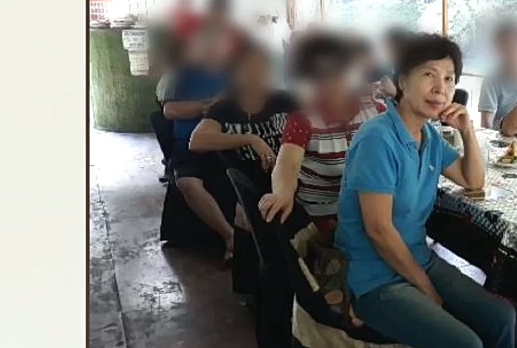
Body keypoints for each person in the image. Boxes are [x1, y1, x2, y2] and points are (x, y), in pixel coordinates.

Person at [336, 33, 517, 348]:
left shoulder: (428, 137)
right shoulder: (378, 139)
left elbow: (472, 180)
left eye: (449, 78)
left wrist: (468, 130)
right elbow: (378, 231)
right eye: (428, 75)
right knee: (465, 346)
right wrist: (425, 288)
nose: (440, 88)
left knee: (502, 317)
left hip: (417, 258)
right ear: (402, 81)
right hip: (373, 278)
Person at [259, 32, 386, 241]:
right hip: (323, 217)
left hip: (371, 209)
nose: (331, 81)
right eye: (319, 75)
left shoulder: (377, 112)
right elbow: (287, 164)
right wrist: (282, 193)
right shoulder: (303, 120)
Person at [190, 41, 300, 267]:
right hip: (249, 186)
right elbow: (197, 141)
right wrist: (250, 138)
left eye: (262, 68)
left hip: (289, 181)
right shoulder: (225, 108)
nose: (256, 75)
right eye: (249, 69)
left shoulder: (285, 100)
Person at [160, 25, 234, 259]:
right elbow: (169, 111)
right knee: (188, 183)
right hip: (186, 145)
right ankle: (229, 236)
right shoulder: (184, 74)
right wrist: (208, 106)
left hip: (224, 142)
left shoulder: (234, 74)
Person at [478, 19, 517, 130]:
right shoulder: (492, 79)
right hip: (502, 136)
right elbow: (486, 124)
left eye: (515, 45)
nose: (510, 51)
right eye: (505, 47)